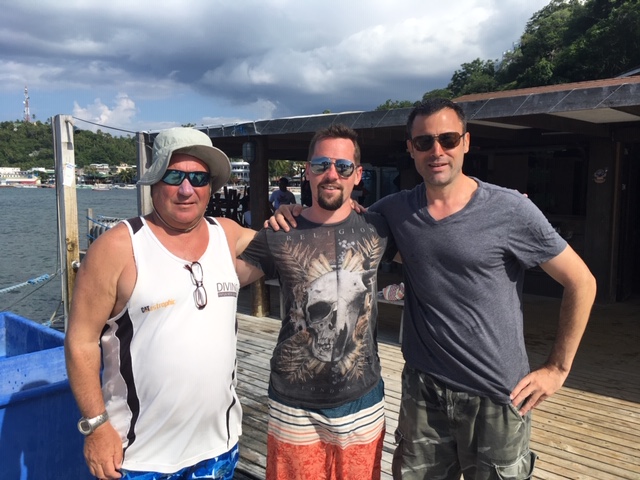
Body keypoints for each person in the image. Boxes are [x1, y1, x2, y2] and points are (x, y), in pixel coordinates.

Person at [270, 98, 597, 480]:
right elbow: (341, 217)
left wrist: (557, 369)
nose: (437, 150)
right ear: (411, 148)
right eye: (425, 142)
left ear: (466, 142)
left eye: (448, 139)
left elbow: (581, 281)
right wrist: (293, 213)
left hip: (496, 395)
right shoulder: (393, 212)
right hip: (423, 392)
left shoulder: (510, 209)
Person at [64, 127, 257, 480]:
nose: (186, 189)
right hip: (139, 457)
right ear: (155, 182)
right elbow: (80, 342)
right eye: (174, 176)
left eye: (198, 178)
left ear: (210, 187)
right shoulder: (117, 247)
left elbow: (286, 245)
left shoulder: (227, 235)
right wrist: (96, 426)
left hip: (219, 448)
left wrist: (296, 213)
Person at [237, 124, 395, 480]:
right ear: (307, 171)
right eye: (322, 164)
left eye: (343, 166)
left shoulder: (379, 229)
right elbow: (224, 276)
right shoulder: (280, 233)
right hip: (294, 405)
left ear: (357, 175)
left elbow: (434, 249)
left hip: (363, 399)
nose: (332, 174)